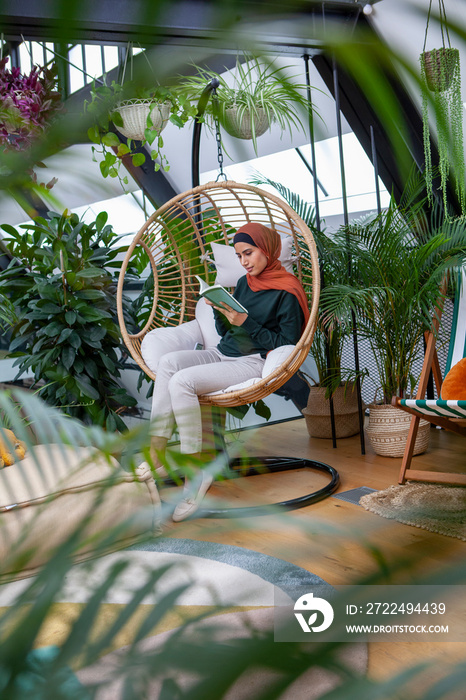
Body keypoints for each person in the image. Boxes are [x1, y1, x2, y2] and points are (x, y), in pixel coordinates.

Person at [147, 222, 310, 522]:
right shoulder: (246, 283)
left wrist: (245, 321)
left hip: (251, 362)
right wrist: (218, 310)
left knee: (182, 382)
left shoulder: (287, 291)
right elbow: (228, 332)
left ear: (268, 249)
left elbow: (288, 346)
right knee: (170, 363)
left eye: (248, 253)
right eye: (238, 256)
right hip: (223, 353)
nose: (244, 262)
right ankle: (156, 453)